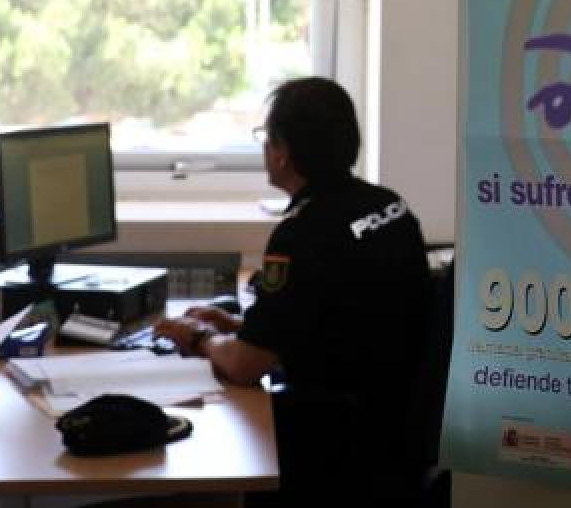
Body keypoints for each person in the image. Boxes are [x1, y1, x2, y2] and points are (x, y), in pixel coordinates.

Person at [155, 77, 432, 505]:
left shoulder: (301, 233)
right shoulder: (387, 205)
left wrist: (198, 337)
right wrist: (241, 326)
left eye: (267, 138)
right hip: (394, 434)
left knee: (202, 455)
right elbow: (345, 319)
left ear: (282, 152)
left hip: (335, 446)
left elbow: (246, 365)